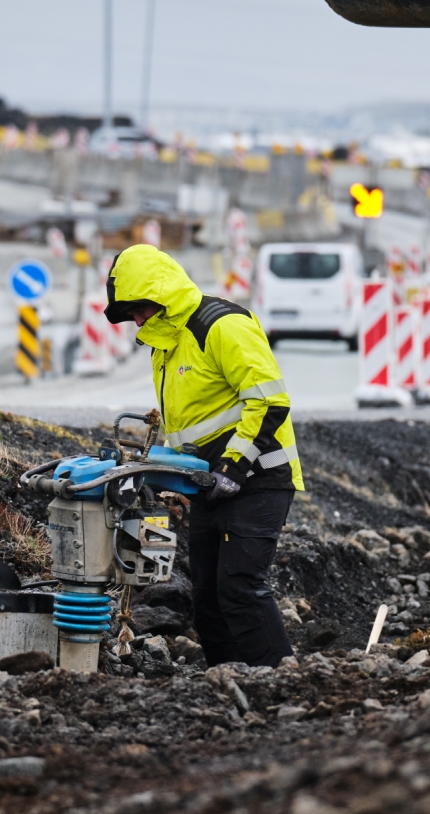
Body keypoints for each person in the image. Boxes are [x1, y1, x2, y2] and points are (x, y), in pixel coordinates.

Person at [104, 244, 303, 666]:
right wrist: (167, 472)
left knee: (239, 585)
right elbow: (191, 425)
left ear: (160, 297)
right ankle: (226, 682)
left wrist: (234, 465)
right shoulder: (166, 345)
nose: (136, 319)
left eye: (139, 308)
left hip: (258, 480)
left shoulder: (222, 325)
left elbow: (269, 402)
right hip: (209, 487)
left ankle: (282, 678)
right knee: (208, 597)